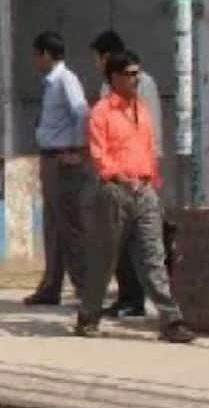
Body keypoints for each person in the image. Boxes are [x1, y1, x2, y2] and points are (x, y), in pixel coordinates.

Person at [78, 50, 195, 343]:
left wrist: (151, 183)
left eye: (137, 74)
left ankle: (171, 321)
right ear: (114, 77)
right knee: (105, 258)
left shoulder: (141, 110)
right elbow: (98, 155)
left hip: (144, 192)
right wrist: (120, 178)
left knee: (153, 258)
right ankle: (88, 316)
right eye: (129, 74)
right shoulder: (101, 113)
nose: (135, 79)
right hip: (115, 193)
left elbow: (147, 149)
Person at [90, 30, 162, 317]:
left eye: (97, 57)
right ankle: (111, 303)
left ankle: (156, 309)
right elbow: (101, 148)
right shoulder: (105, 101)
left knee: (148, 251)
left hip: (141, 181)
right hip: (117, 182)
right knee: (113, 250)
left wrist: (152, 175)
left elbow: (149, 133)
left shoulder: (142, 88)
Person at [25, 31, 91, 307]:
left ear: (46, 55)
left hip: (63, 161)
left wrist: (76, 150)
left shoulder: (66, 80)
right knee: (53, 226)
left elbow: (82, 112)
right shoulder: (51, 83)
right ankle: (51, 286)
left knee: (69, 226)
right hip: (51, 158)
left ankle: (87, 288)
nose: (35, 61)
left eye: (37, 55)